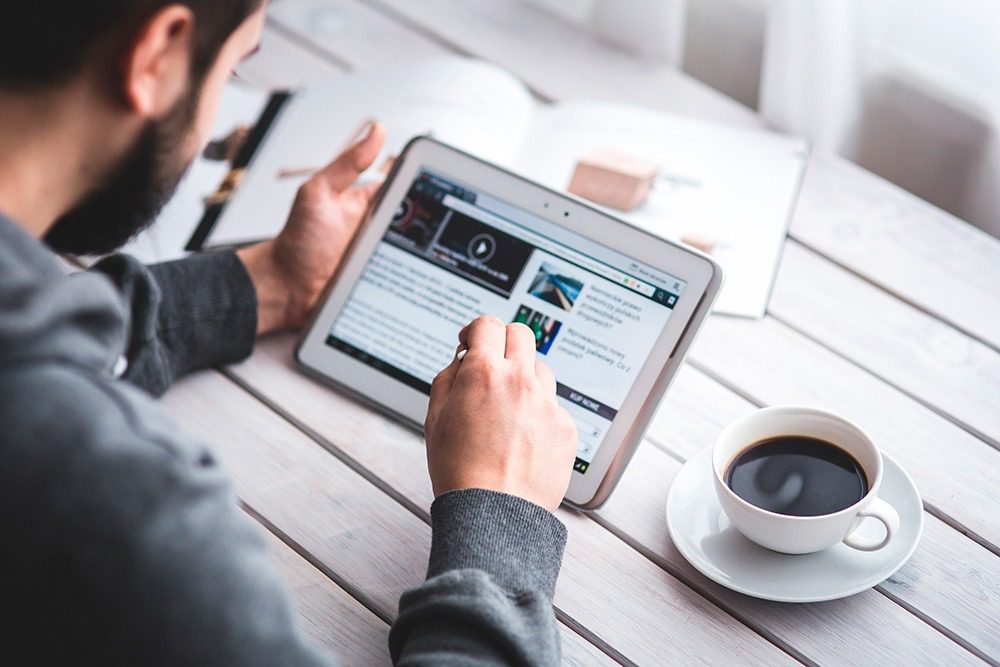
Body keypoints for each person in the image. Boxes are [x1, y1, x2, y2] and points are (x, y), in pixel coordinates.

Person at [0, 1, 579, 664]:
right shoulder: (116, 507)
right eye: (231, 69)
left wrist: (269, 281)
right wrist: (499, 512)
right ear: (158, 53)